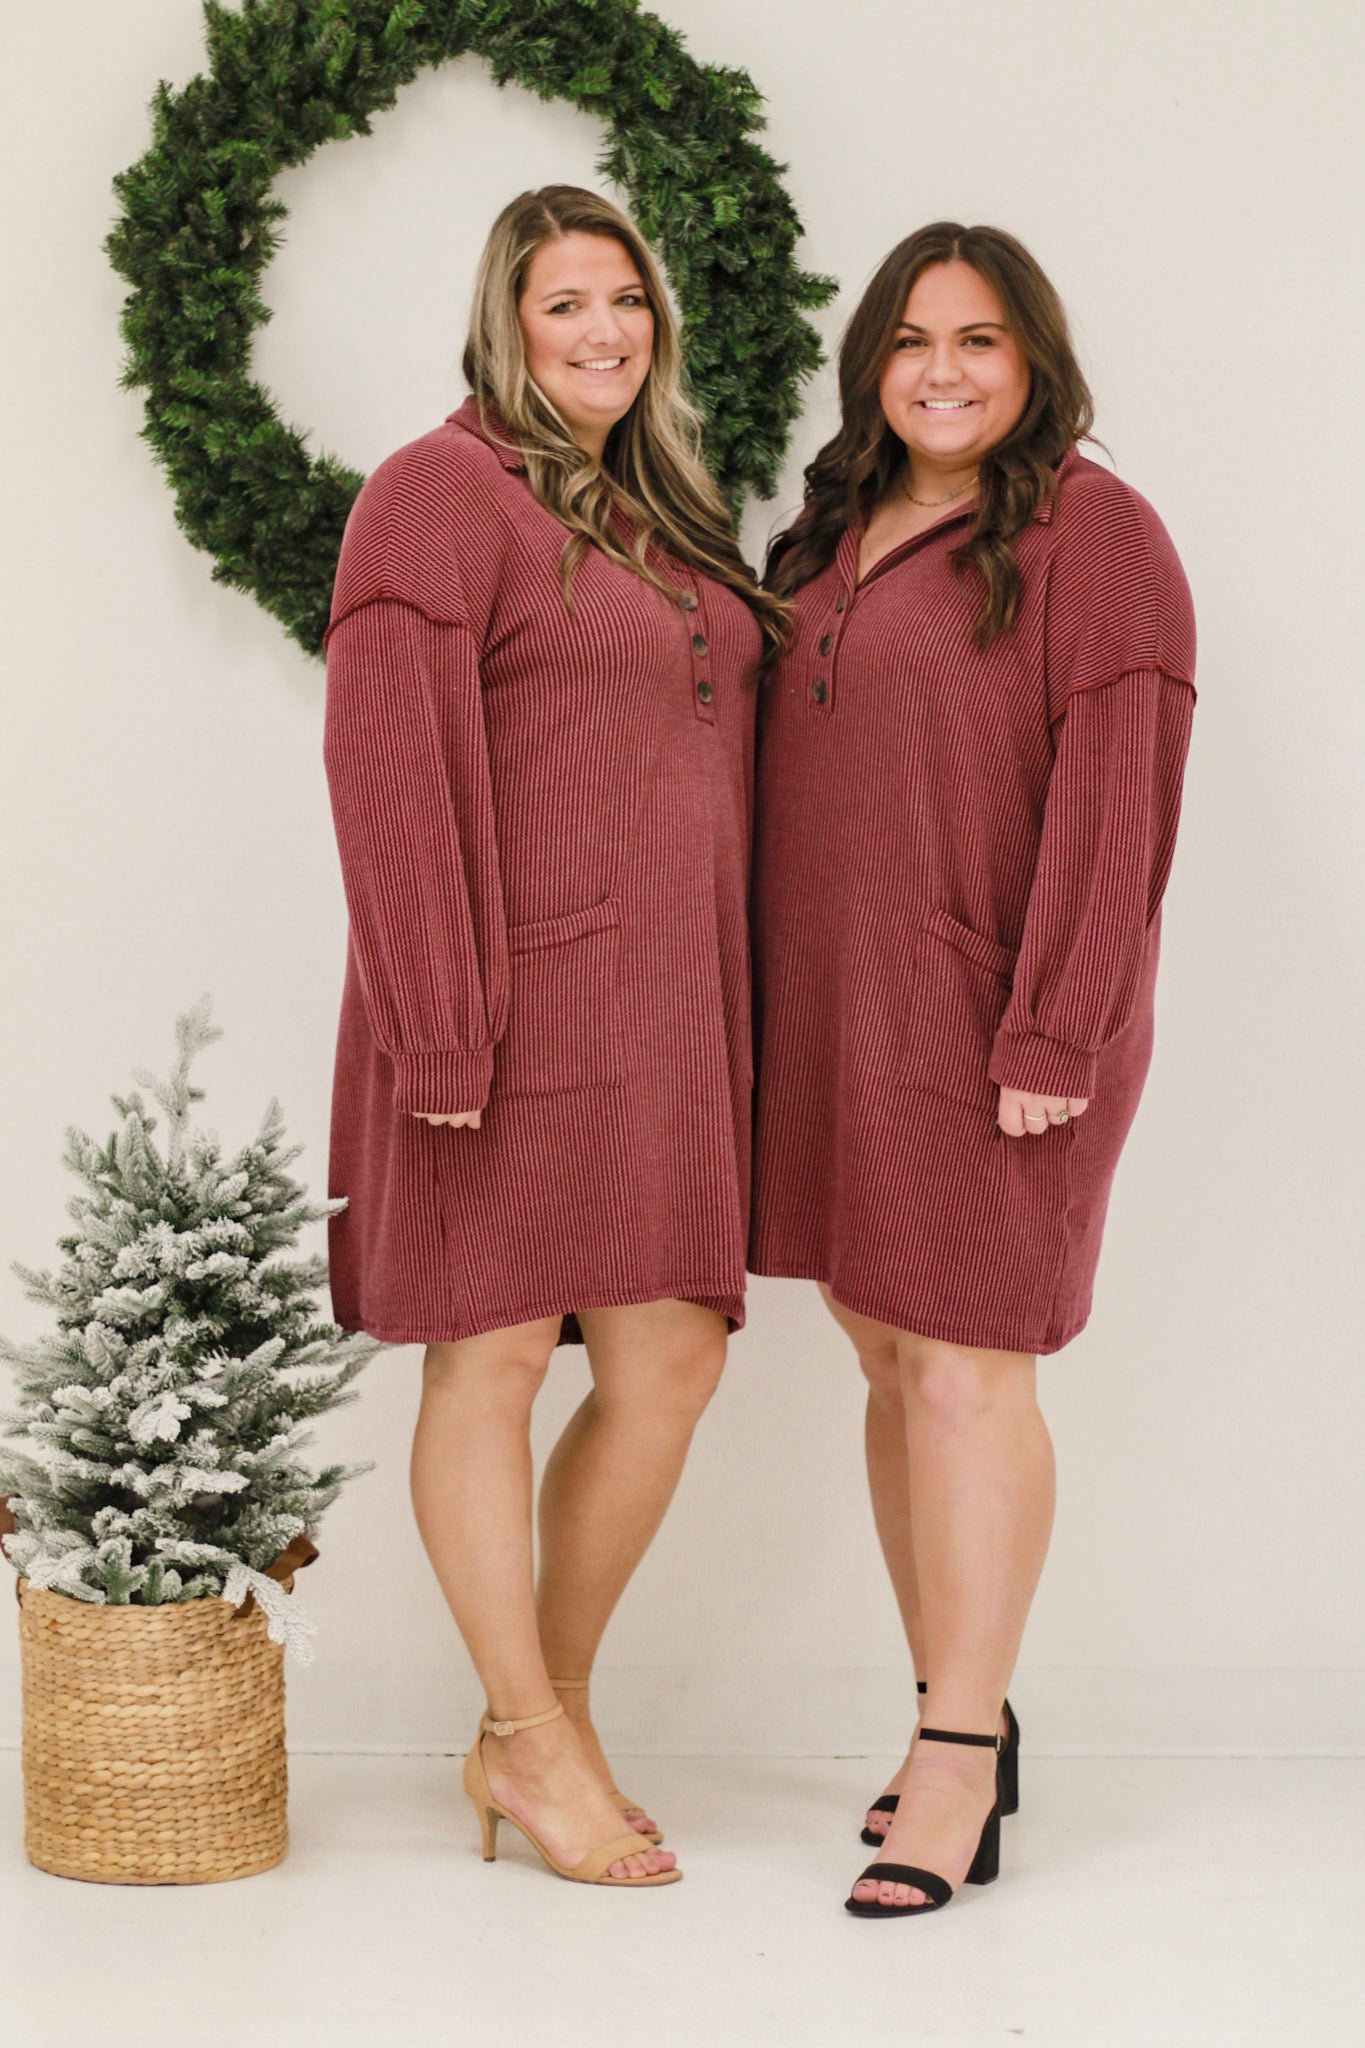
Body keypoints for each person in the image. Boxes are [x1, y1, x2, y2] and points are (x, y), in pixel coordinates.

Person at [322, 185, 784, 1888]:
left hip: (667, 1017)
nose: (603, 331)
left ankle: (542, 1716)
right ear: (503, 326)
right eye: (562, 304)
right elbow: (384, 772)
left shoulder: (666, 511)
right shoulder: (433, 495)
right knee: (494, 1359)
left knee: (670, 1360)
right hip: (505, 1010)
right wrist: (439, 1029)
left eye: (625, 301)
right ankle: (527, 1736)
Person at [750, 222, 1196, 1917]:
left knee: (964, 1374)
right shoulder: (828, 534)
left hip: (997, 1022)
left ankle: (953, 1759)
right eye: (911, 340)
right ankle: (960, 1710)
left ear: (1033, 363)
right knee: (887, 1357)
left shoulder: (1098, 534)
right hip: (835, 1015)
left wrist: (1056, 1029)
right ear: (871, 363)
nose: (941, 371)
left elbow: (1119, 802)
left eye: (980, 340)